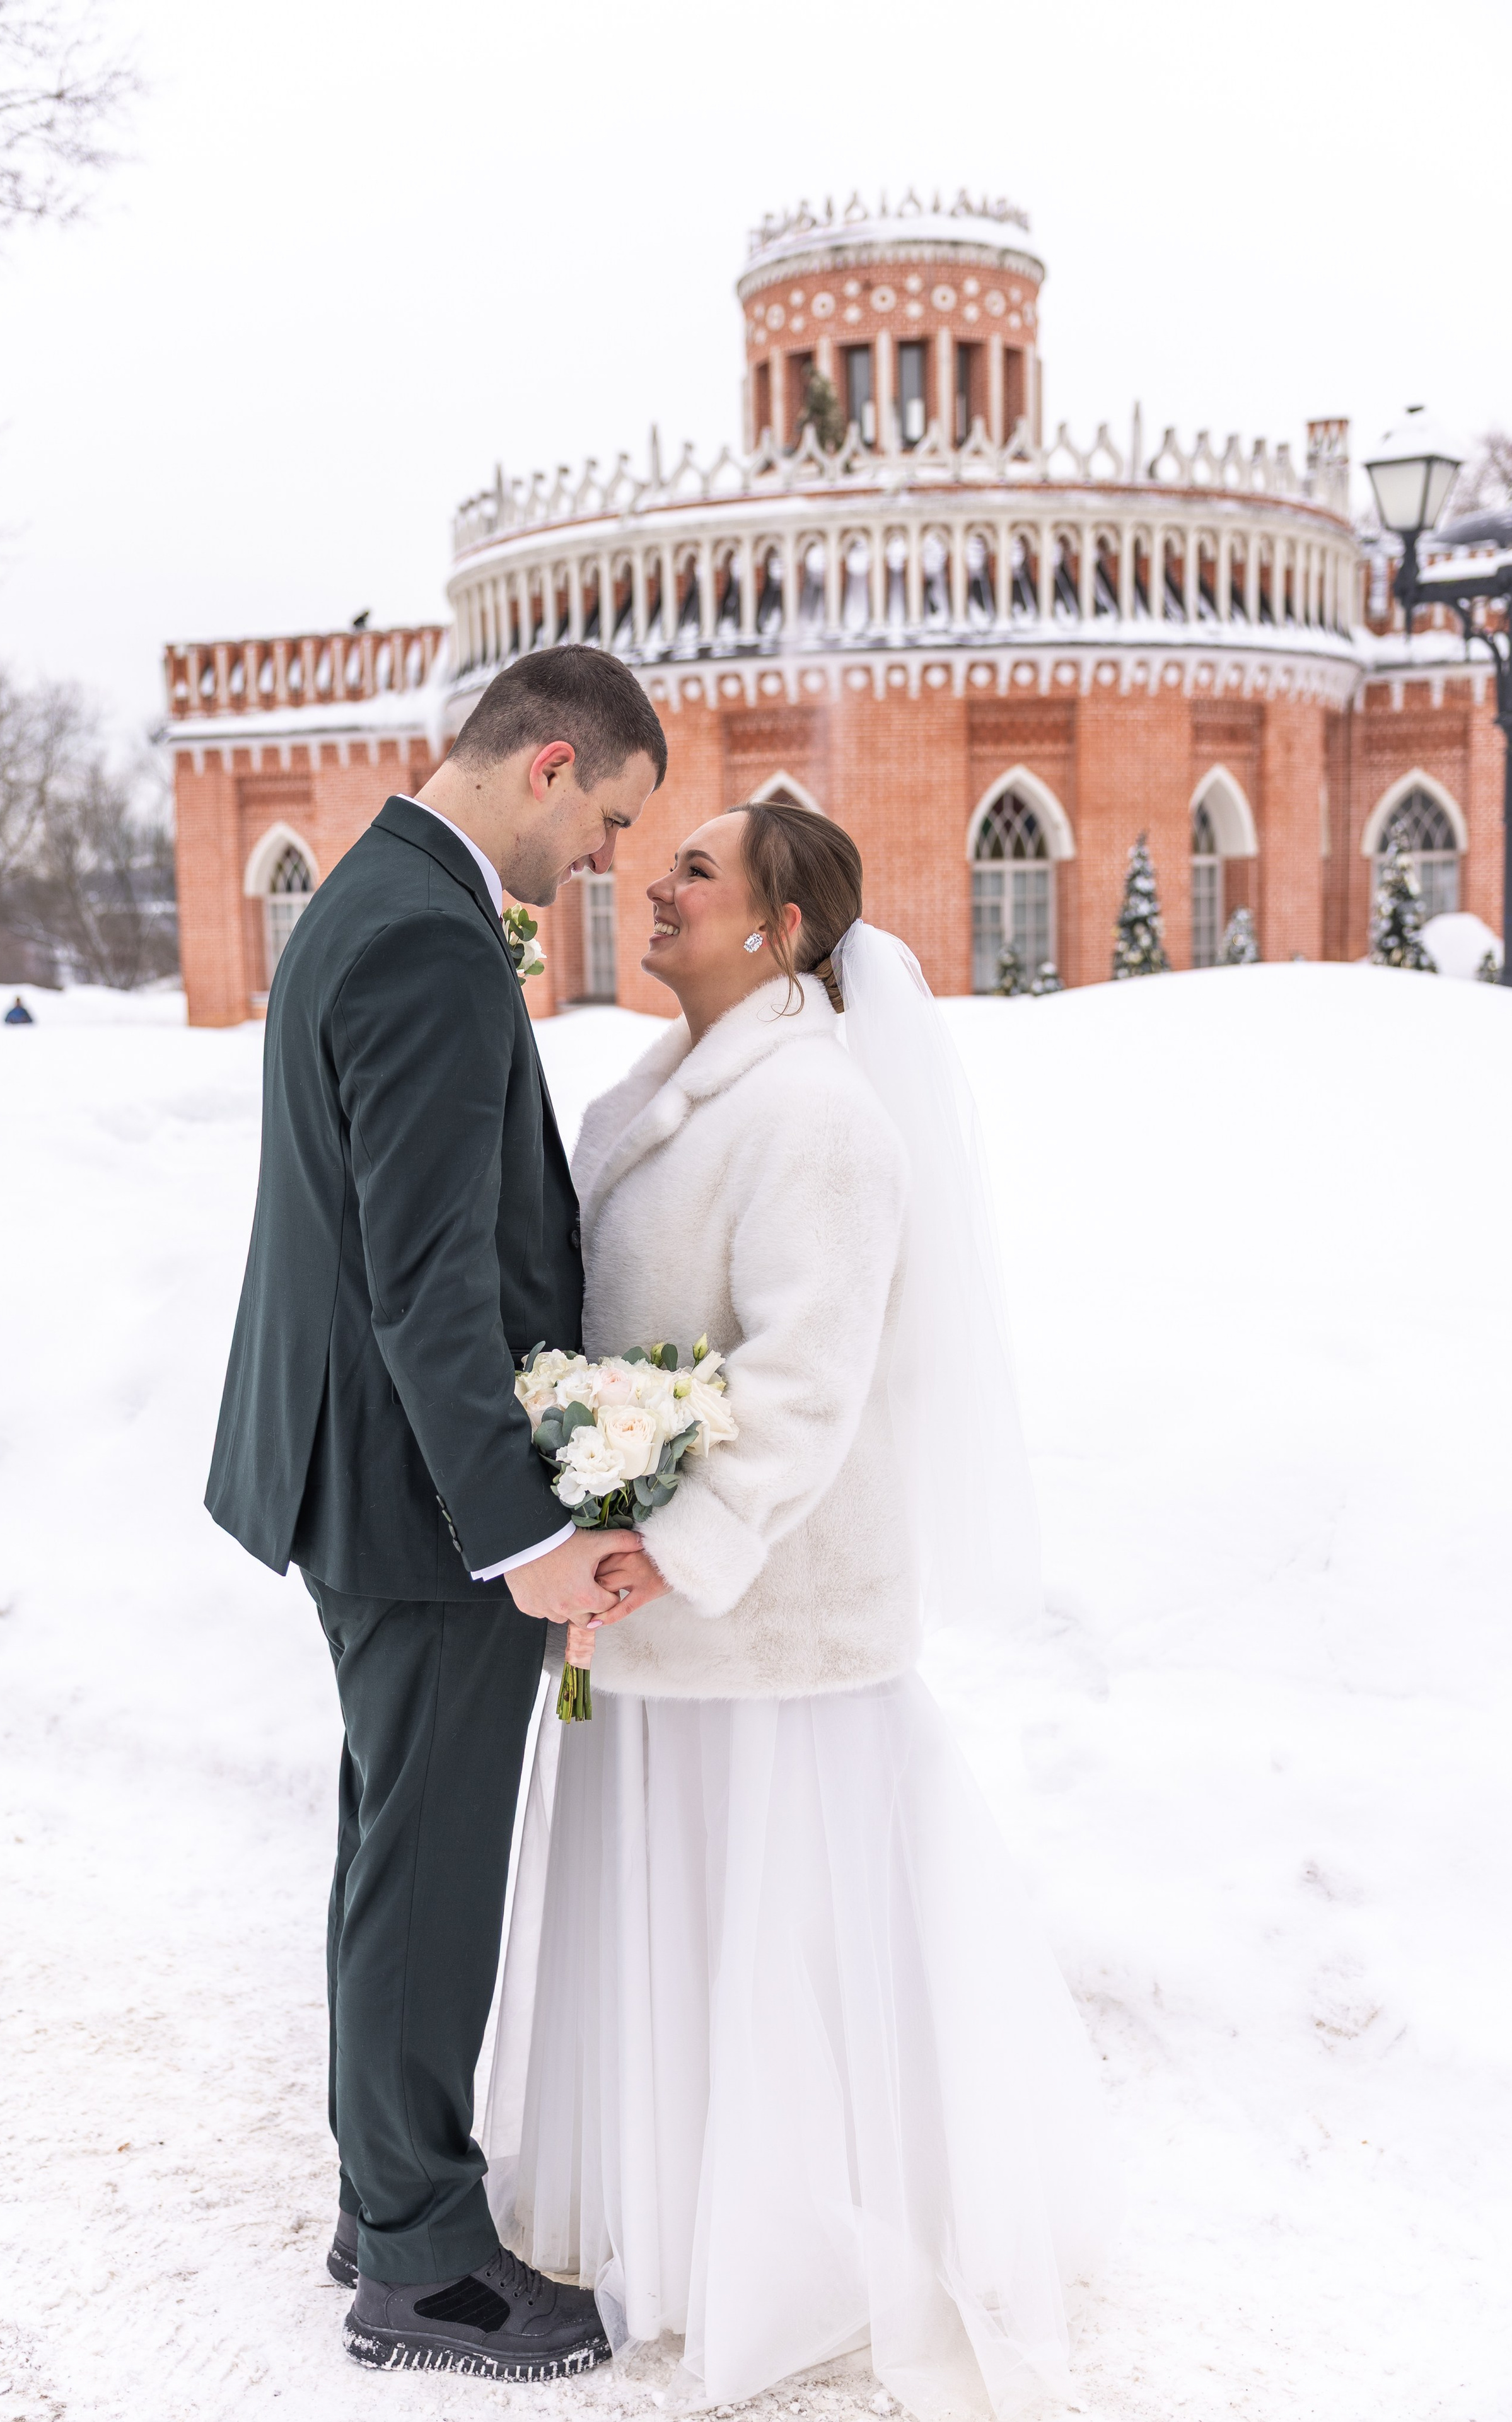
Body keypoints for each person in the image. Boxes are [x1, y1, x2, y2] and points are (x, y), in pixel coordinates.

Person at [483, 801, 1120, 2418]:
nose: (654, 883)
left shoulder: (819, 1115)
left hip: (765, 1627)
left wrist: (667, 1545)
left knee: (771, 1946)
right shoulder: (660, 1091)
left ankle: (789, 2252)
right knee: (678, 1928)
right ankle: (676, 2221)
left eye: (694, 869)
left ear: (781, 926)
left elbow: (801, 1383)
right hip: (665, 1623)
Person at [205, 646, 672, 2380]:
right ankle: (426, 2265)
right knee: (432, 1862)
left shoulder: (378, 888)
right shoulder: (421, 931)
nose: (615, 858)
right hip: (415, 1498)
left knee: (397, 1841)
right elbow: (423, 1281)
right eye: (616, 815)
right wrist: (522, 1529)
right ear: (553, 763)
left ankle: (379, 2193)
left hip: (368, 1475)